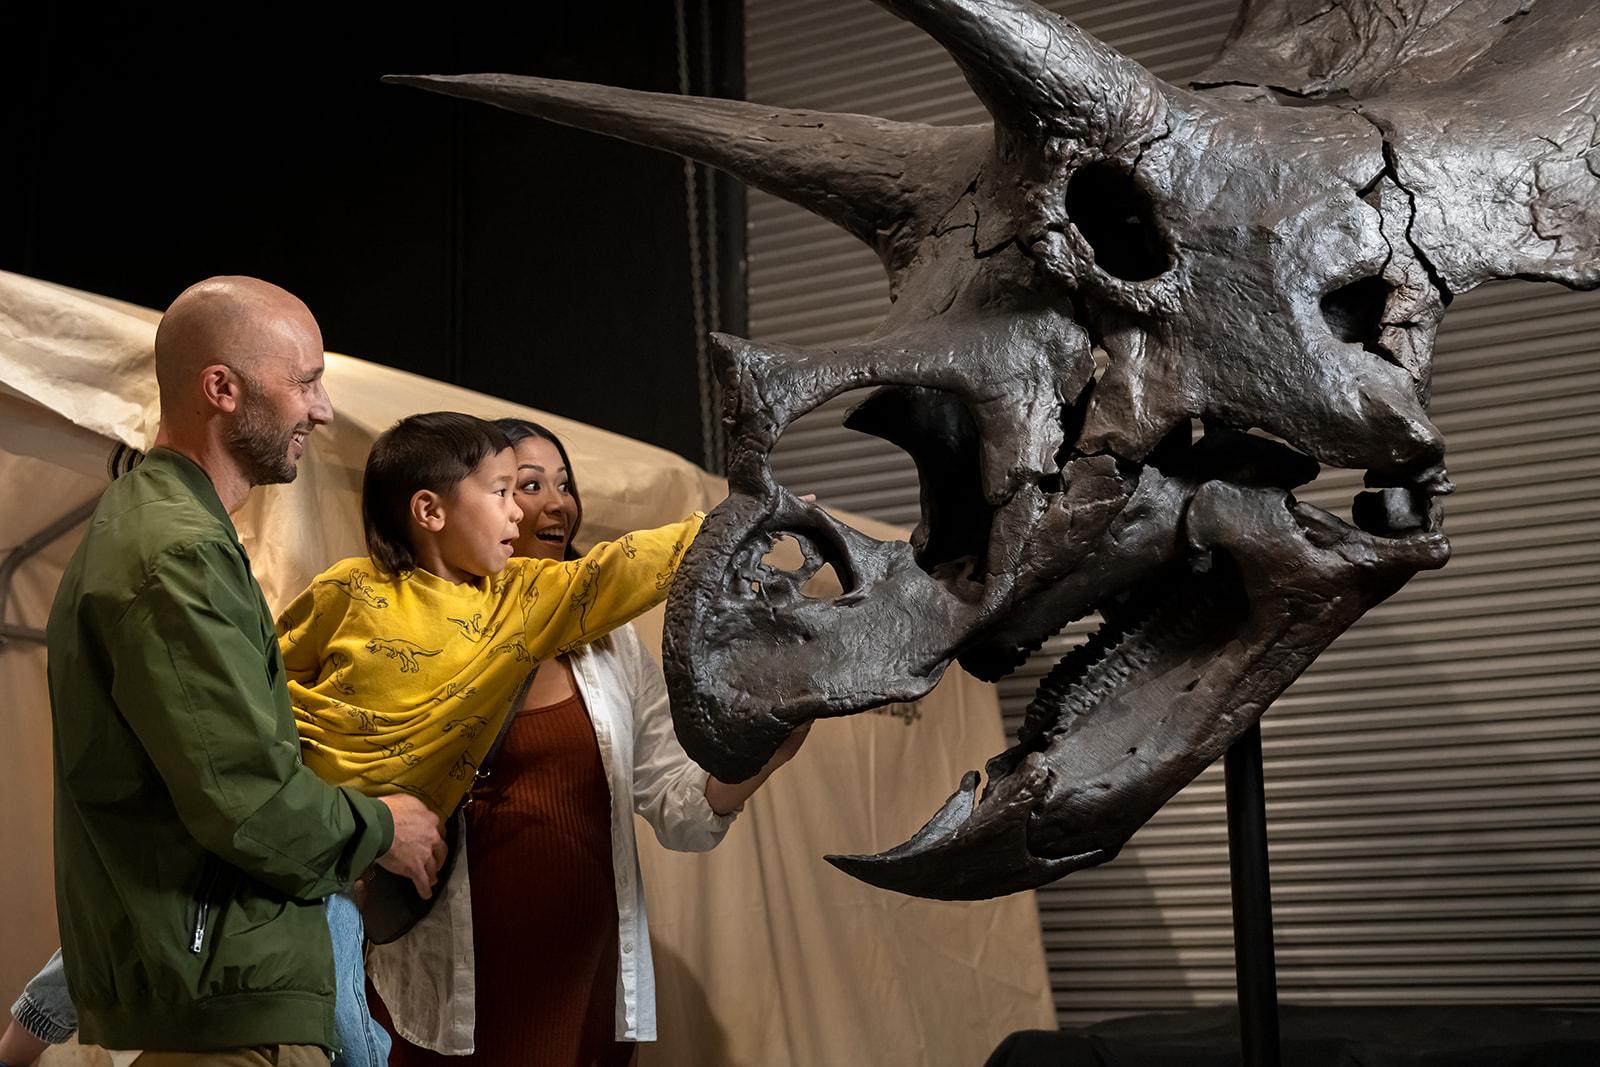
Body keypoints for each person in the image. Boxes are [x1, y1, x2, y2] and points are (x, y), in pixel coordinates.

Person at [42, 277, 446, 1067]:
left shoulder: (163, 531)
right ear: (221, 389)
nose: (322, 410)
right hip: (233, 1010)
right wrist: (382, 826)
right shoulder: (177, 552)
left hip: (224, 992)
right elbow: (249, 803)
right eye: (306, 381)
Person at [368, 418, 808, 1066]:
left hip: (585, 982)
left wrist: (763, 756)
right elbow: (345, 776)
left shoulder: (609, 642)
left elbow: (678, 803)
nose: (557, 503)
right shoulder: (410, 632)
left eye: (563, 484)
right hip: (455, 990)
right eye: (525, 485)